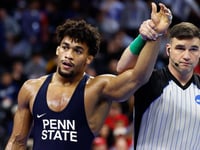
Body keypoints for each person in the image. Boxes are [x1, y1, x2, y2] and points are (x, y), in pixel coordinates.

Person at [5, 2, 172, 150]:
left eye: (77, 51)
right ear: (57, 50)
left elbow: (138, 77)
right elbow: (17, 142)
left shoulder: (96, 88)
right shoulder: (31, 89)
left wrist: (154, 35)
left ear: (89, 58)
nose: (68, 55)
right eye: (65, 47)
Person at [117, 18, 200, 149]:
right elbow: (122, 68)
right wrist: (143, 37)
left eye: (193, 49)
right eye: (180, 48)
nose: (187, 56)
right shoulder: (150, 79)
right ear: (168, 50)